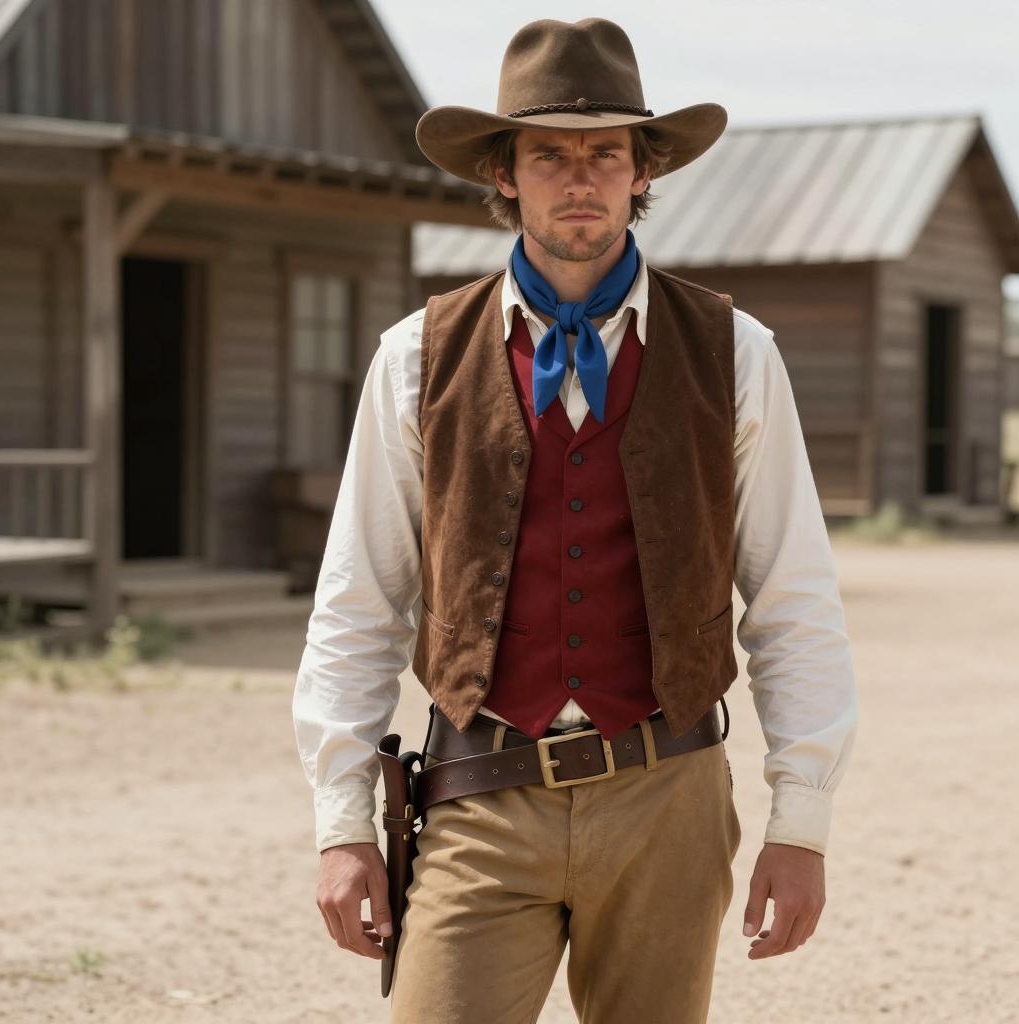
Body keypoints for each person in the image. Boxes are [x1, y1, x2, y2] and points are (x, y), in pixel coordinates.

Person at [293, 16, 859, 1023]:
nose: (580, 177)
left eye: (606, 152)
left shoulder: (736, 350)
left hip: (667, 794)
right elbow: (359, 599)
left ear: (644, 168)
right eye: (549, 153)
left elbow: (791, 595)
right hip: (476, 791)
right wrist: (342, 823)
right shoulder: (415, 357)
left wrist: (801, 820)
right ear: (505, 173)